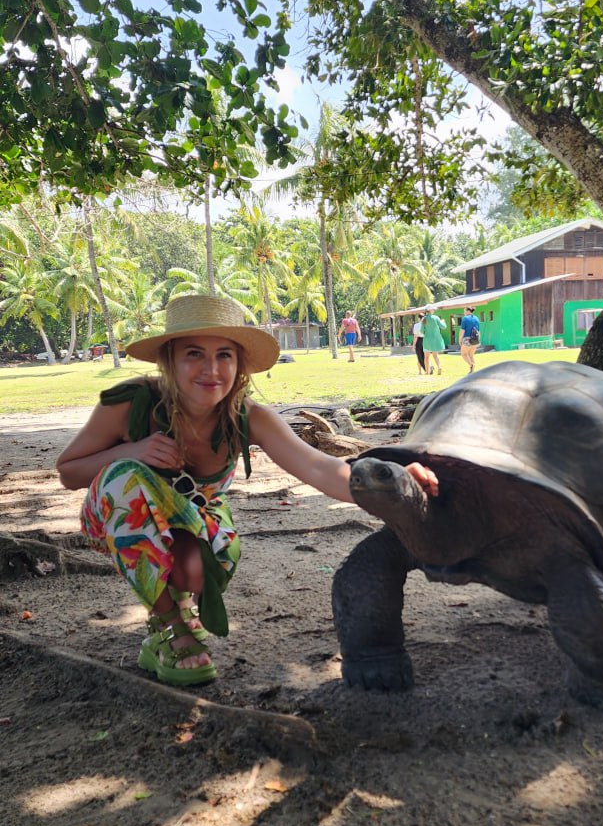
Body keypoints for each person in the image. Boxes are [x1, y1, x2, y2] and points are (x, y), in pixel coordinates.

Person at [57, 294, 437, 688]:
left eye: (224, 355)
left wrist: (391, 484)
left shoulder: (248, 415)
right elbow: (68, 471)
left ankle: (175, 608)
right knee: (125, 475)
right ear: (169, 359)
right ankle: (173, 630)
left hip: (197, 519)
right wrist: (131, 450)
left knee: (192, 567)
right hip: (117, 517)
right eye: (193, 354)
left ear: (238, 364)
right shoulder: (129, 402)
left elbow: (317, 466)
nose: (211, 369)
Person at [420, 306, 446, 376]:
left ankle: (427, 372)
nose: (434, 310)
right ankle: (439, 367)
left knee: (426, 357)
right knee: (435, 356)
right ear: (430, 310)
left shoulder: (424, 319)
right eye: (433, 309)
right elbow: (443, 327)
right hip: (435, 339)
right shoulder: (436, 318)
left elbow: (421, 331)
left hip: (427, 340)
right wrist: (443, 322)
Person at [459, 306, 481, 373]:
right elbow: (478, 330)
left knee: (464, 354)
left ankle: (471, 365)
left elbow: (462, 330)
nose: (464, 312)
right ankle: (473, 372)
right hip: (475, 339)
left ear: (467, 310)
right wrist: (479, 340)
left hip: (467, 339)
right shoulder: (476, 318)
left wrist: (460, 340)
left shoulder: (465, 318)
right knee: (471, 355)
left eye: (464, 311)